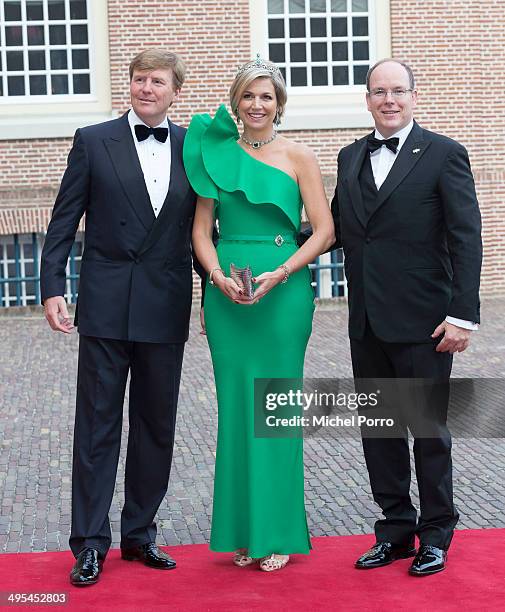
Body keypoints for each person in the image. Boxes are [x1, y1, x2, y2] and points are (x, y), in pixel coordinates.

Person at [40, 49, 197, 586]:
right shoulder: (93, 140)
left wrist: (224, 285)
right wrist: (52, 287)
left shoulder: (192, 146)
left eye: (157, 81)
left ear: (176, 90)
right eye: (138, 79)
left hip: (165, 303)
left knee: (157, 426)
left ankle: (140, 534)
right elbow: (64, 220)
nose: (145, 88)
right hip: (105, 306)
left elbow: (201, 232)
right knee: (97, 427)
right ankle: (88, 543)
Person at [329, 59, 482, 576]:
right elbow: (336, 231)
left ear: (413, 96)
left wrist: (463, 314)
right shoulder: (350, 156)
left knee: (429, 430)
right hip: (367, 322)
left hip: (426, 322)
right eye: (379, 92)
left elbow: (466, 238)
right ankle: (395, 530)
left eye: (398, 91)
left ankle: (437, 533)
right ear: (367, 99)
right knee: (380, 431)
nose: (388, 100)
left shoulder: (443, 154)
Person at [185, 56, 334, 571]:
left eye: (266, 96)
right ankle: (244, 532)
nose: (256, 104)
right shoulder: (214, 154)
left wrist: (284, 272)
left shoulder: (299, 156)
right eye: (248, 95)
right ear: (236, 100)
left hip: (282, 293)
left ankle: (276, 532)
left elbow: (323, 230)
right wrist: (214, 277)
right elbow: (202, 232)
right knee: (236, 413)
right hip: (227, 293)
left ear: (279, 103)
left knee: (275, 411)